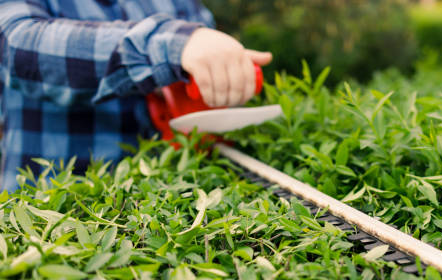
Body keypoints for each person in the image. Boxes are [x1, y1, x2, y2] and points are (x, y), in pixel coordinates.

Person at [0, 0, 272, 191]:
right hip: (52, 222)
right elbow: (19, 46)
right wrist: (172, 45)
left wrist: (221, 76)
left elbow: (202, 57)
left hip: (161, 222)